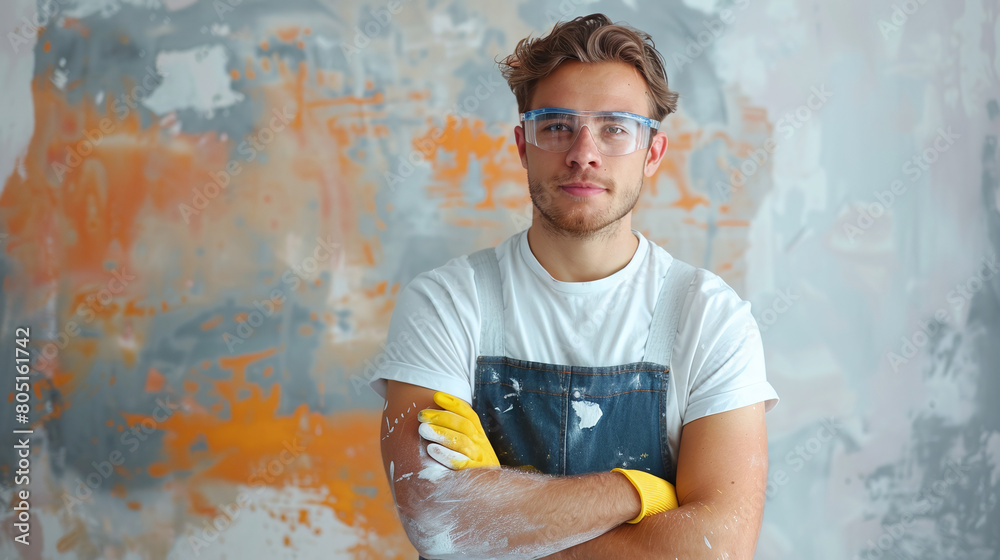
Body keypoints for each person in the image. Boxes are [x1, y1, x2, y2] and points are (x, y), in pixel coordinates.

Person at [370, 13, 779, 559]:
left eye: (615, 128)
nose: (584, 151)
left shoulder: (709, 319)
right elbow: (438, 522)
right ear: (522, 144)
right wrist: (636, 493)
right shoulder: (446, 304)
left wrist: (498, 519)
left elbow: (714, 549)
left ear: (652, 153)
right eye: (557, 125)